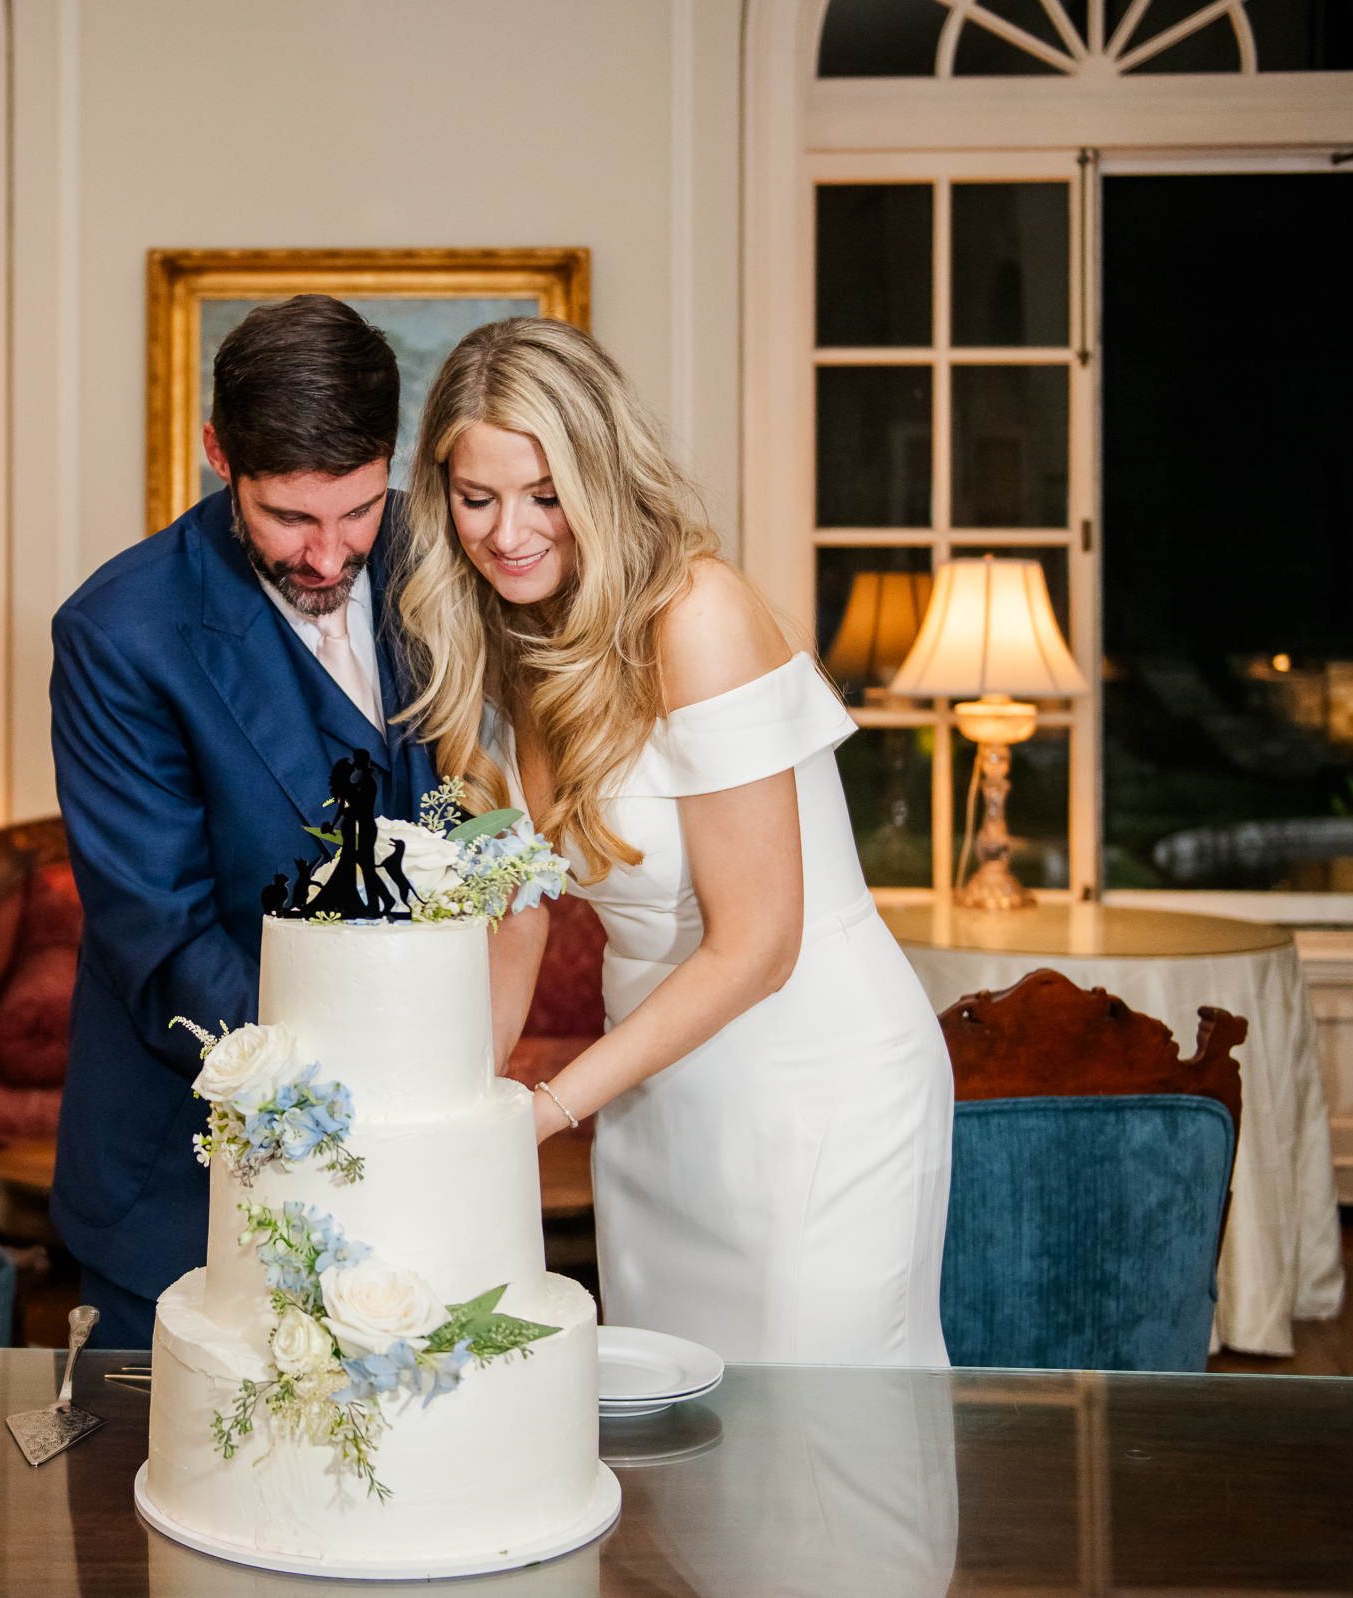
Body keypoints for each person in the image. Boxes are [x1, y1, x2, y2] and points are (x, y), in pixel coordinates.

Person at [396, 318, 952, 1365]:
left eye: (545, 494)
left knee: (817, 1445)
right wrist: (454, 1103)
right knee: (682, 1445)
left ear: (600, 479)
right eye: (478, 498)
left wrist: (549, 1108)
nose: (509, 532)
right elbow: (511, 917)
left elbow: (761, 944)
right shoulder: (489, 644)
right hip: (654, 1088)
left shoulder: (697, 614)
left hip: (812, 1083)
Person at [49, 296, 441, 1348]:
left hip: (419, 1185)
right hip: (184, 1178)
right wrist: (373, 1098)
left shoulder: (441, 558)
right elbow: (164, 939)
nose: (327, 556)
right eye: (288, 518)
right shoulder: (120, 633)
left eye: (355, 510)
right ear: (220, 455)